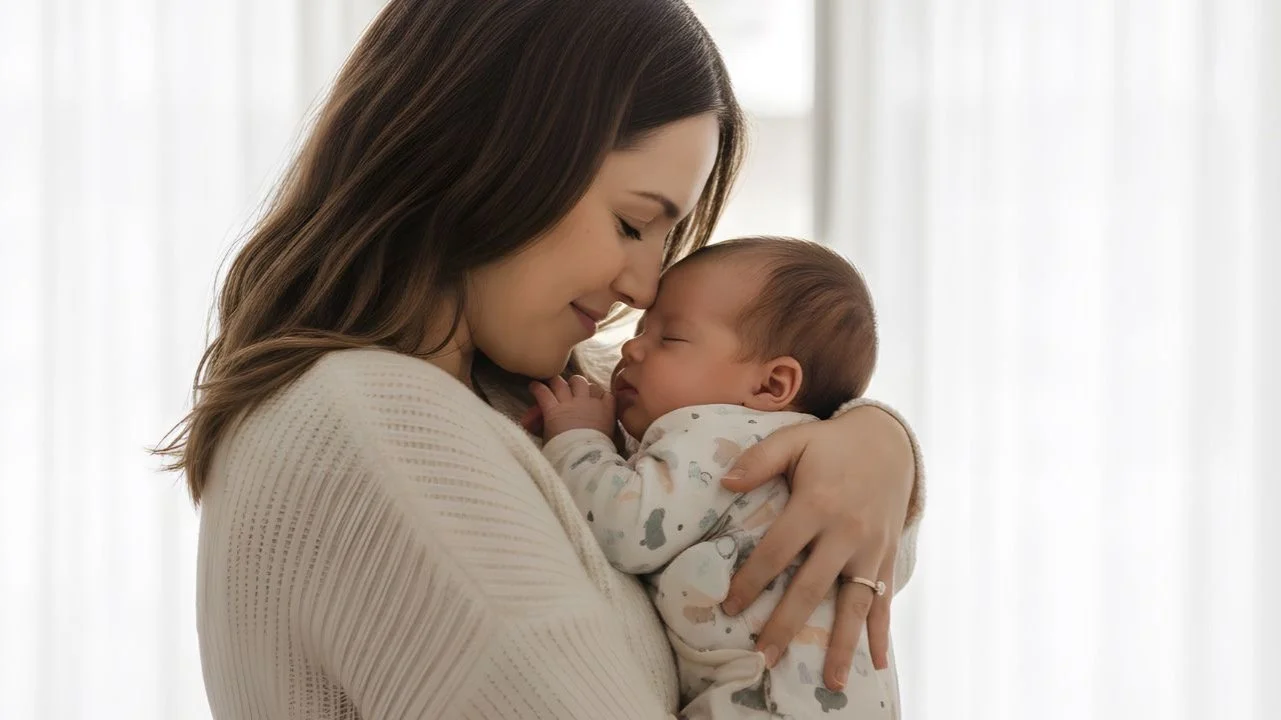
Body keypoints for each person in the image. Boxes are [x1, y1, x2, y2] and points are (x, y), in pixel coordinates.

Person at [155, 1, 925, 718]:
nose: (645, 285)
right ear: (489, 152)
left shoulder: (525, 392)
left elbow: (758, 510)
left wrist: (868, 436)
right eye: (631, 224)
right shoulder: (379, 433)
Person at [534, 237, 908, 719]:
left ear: (771, 385)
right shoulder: (815, 452)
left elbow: (623, 528)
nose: (631, 346)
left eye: (669, 338)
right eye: (643, 329)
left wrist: (578, 438)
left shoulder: (715, 432)